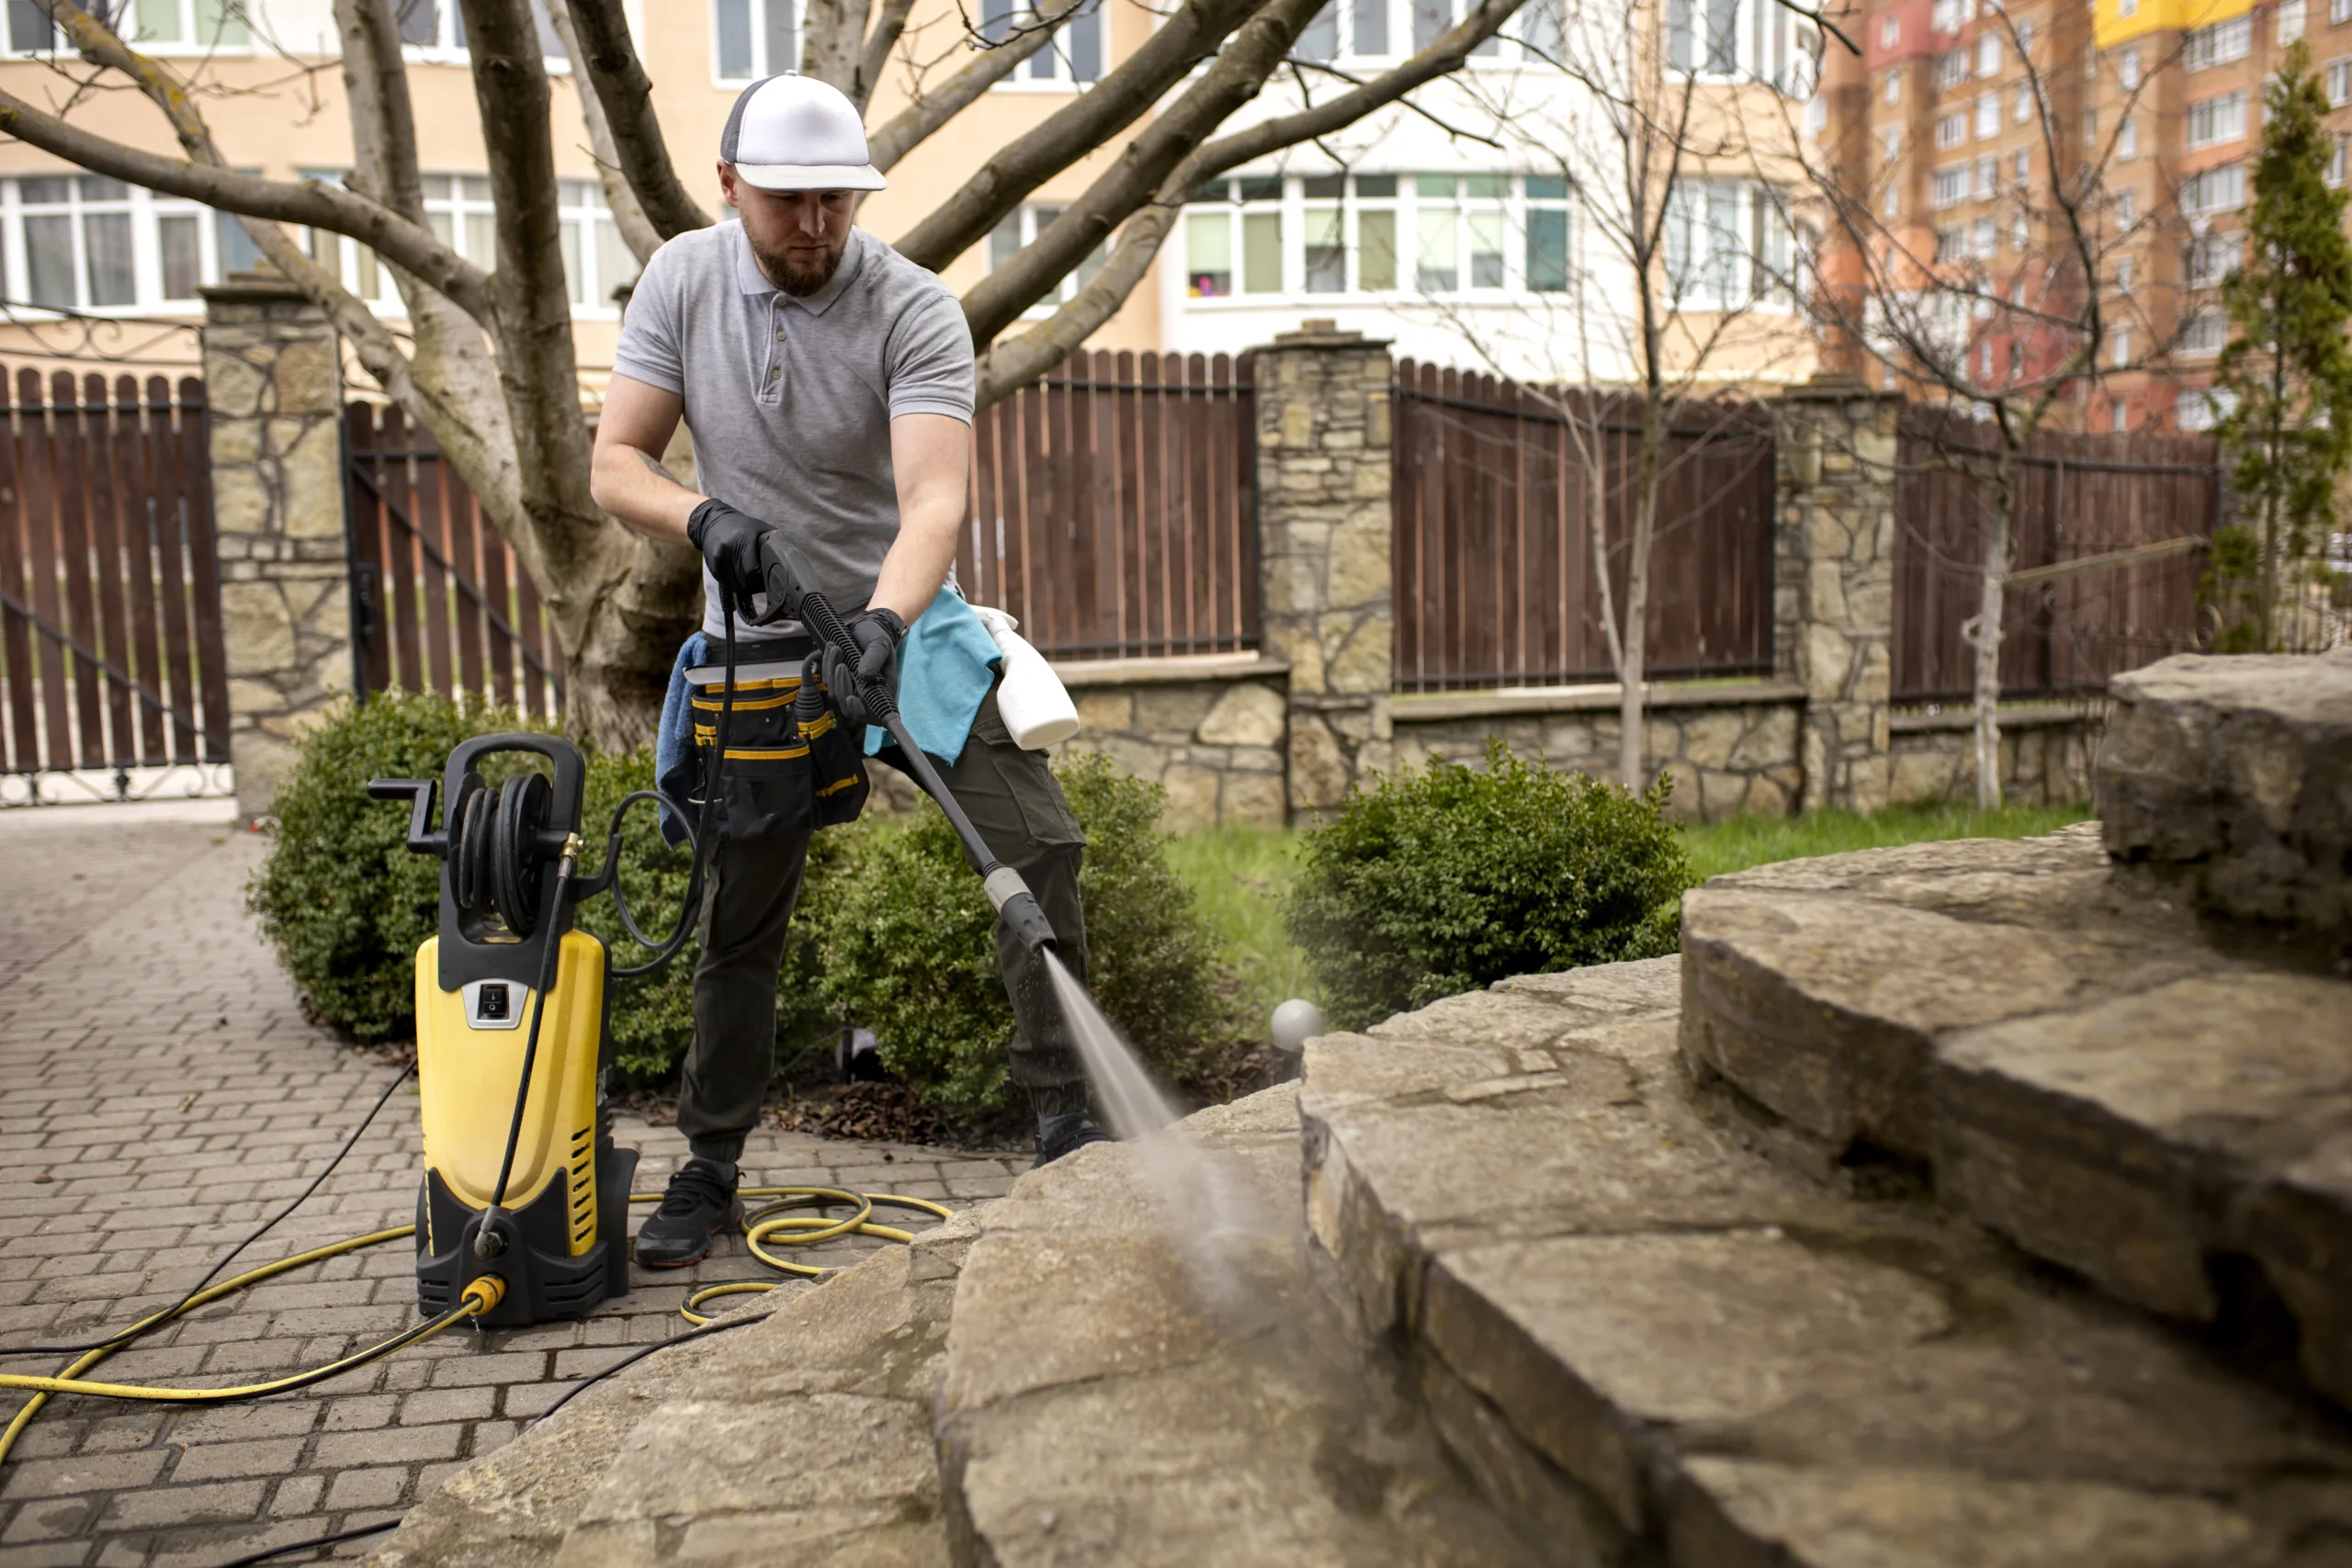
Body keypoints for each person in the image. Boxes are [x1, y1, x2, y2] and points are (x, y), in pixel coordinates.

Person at [589, 72, 1104, 1269]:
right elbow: (616, 461)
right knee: (744, 914)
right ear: (731, 187)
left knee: (1041, 846)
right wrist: (704, 520)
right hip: (757, 642)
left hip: (900, 628)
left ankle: (1066, 1116)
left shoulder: (914, 307)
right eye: (787, 202)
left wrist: (880, 621)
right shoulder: (681, 280)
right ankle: (711, 1164)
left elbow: (932, 499)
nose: (816, 224)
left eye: (837, 201)